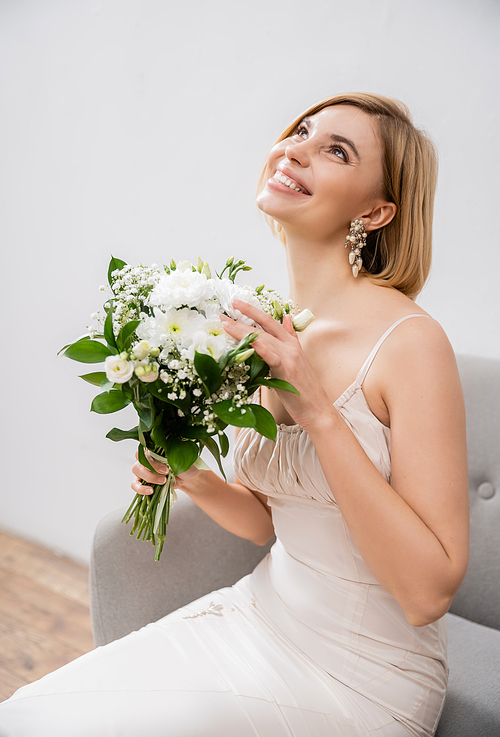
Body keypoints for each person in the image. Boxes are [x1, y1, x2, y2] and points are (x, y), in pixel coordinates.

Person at [0, 92, 469, 736]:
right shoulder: (270, 327)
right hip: (258, 619)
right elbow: (265, 524)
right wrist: (190, 475)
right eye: (301, 131)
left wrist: (319, 413)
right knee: (29, 714)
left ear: (377, 210)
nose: (296, 148)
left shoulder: (412, 343)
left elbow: (428, 593)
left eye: (335, 150)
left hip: (362, 678)